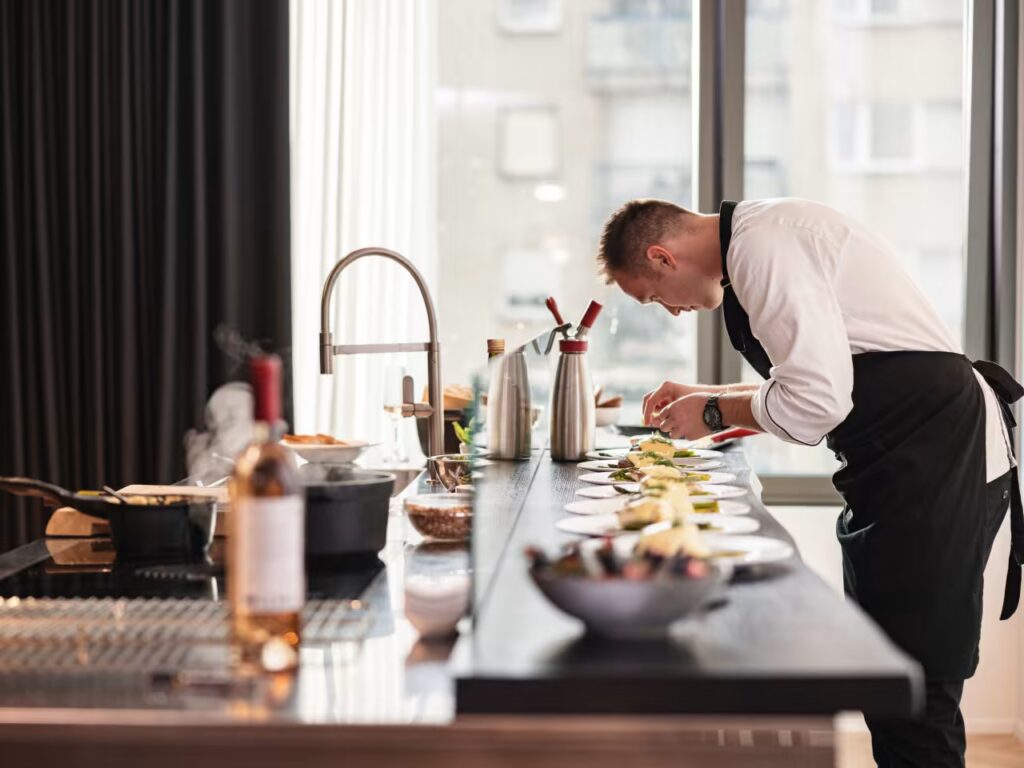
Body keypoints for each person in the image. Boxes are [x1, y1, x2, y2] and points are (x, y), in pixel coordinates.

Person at [598, 197, 1023, 767]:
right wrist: (710, 396)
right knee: (891, 677)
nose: (670, 312)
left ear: (662, 257)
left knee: (917, 691)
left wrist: (716, 414)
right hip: (902, 463)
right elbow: (824, 371)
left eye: (653, 297)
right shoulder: (760, 235)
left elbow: (817, 402)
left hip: (937, 460)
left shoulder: (762, 248)